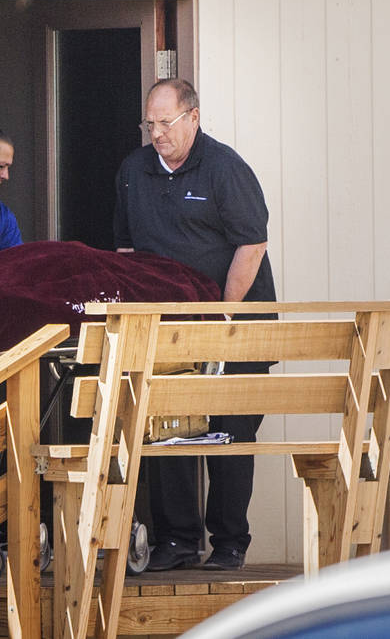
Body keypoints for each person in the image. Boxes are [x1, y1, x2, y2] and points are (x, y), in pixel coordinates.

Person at [114, 78, 276, 572]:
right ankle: (177, 541)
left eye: (166, 123)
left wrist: (224, 314)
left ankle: (229, 543)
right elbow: (124, 251)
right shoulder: (131, 171)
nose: (157, 133)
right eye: (150, 124)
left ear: (193, 117)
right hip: (168, 330)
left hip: (236, 323)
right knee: (167, 432)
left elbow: (252, 244)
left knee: (230, 433)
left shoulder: (224, 167)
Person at [0, 124, 22, 254]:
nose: (6, 176)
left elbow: (17, 264)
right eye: (1, 166)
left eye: (8, 168)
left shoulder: (3, 216)